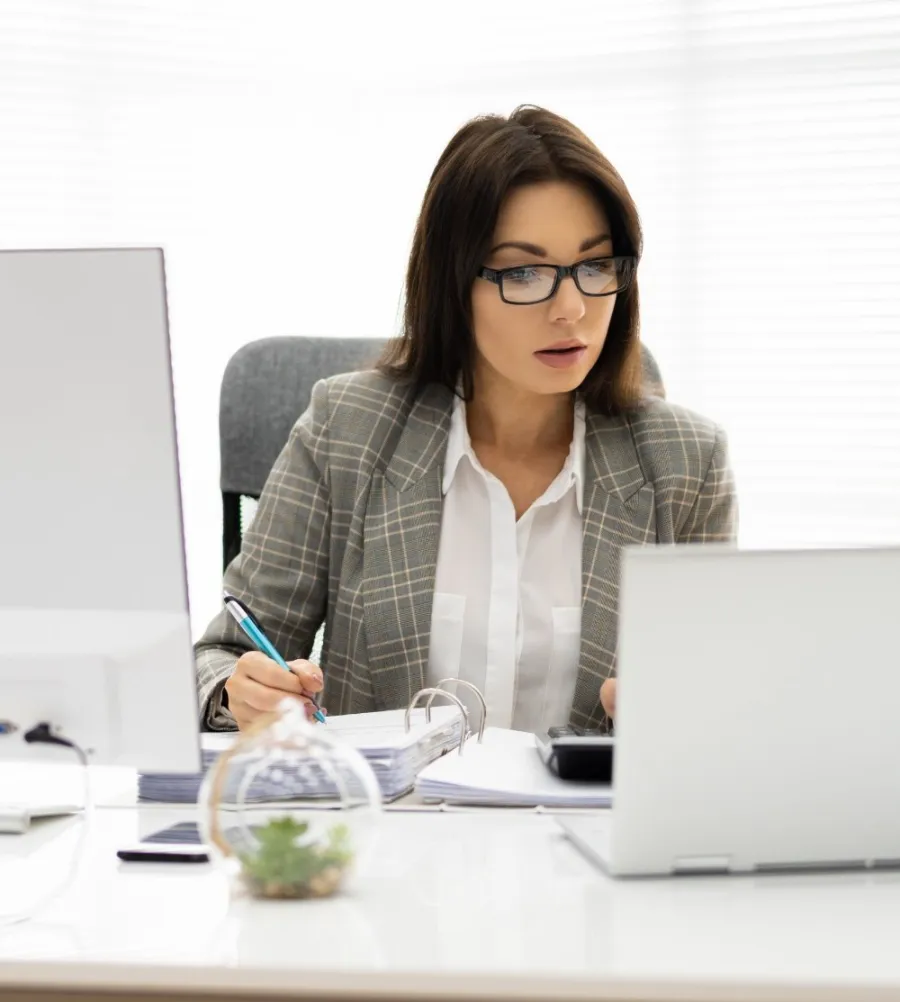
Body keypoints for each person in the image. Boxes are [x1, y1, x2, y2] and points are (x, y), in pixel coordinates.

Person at [195, 105, 737, 734]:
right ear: (455, 283)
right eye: (525, 272)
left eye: (595, 266)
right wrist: (241, 693)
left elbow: (718, 704)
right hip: (387, 823)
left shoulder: (687, 463)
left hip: (582, 830)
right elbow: (221, 657)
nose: (572, 309)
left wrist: (683, 712)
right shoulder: (346, 429)